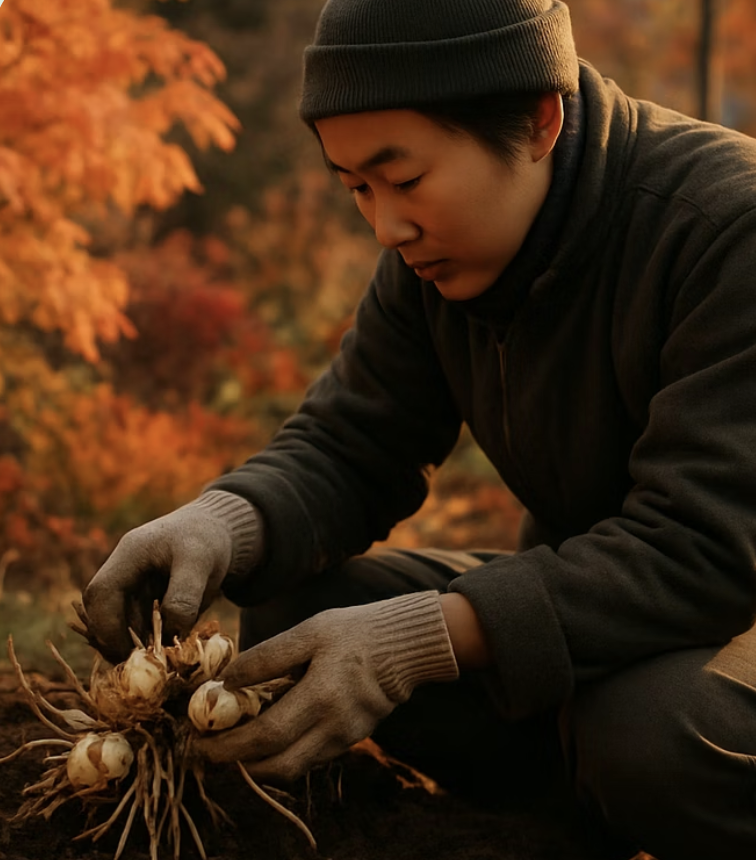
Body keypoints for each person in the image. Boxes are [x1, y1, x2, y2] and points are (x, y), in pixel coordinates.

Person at [81, 1, 756, 857]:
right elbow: (353, 444)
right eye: (356, 187)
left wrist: (422, 639)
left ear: (539, 121)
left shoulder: (727, 229)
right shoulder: (437, 257)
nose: (385, 226)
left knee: (652, 733)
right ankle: (583, 803)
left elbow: (707, 548)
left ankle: (625, 780)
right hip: (617, 620)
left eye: (403, 180)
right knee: (294, 612)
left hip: (729, 612)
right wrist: (222, 523)